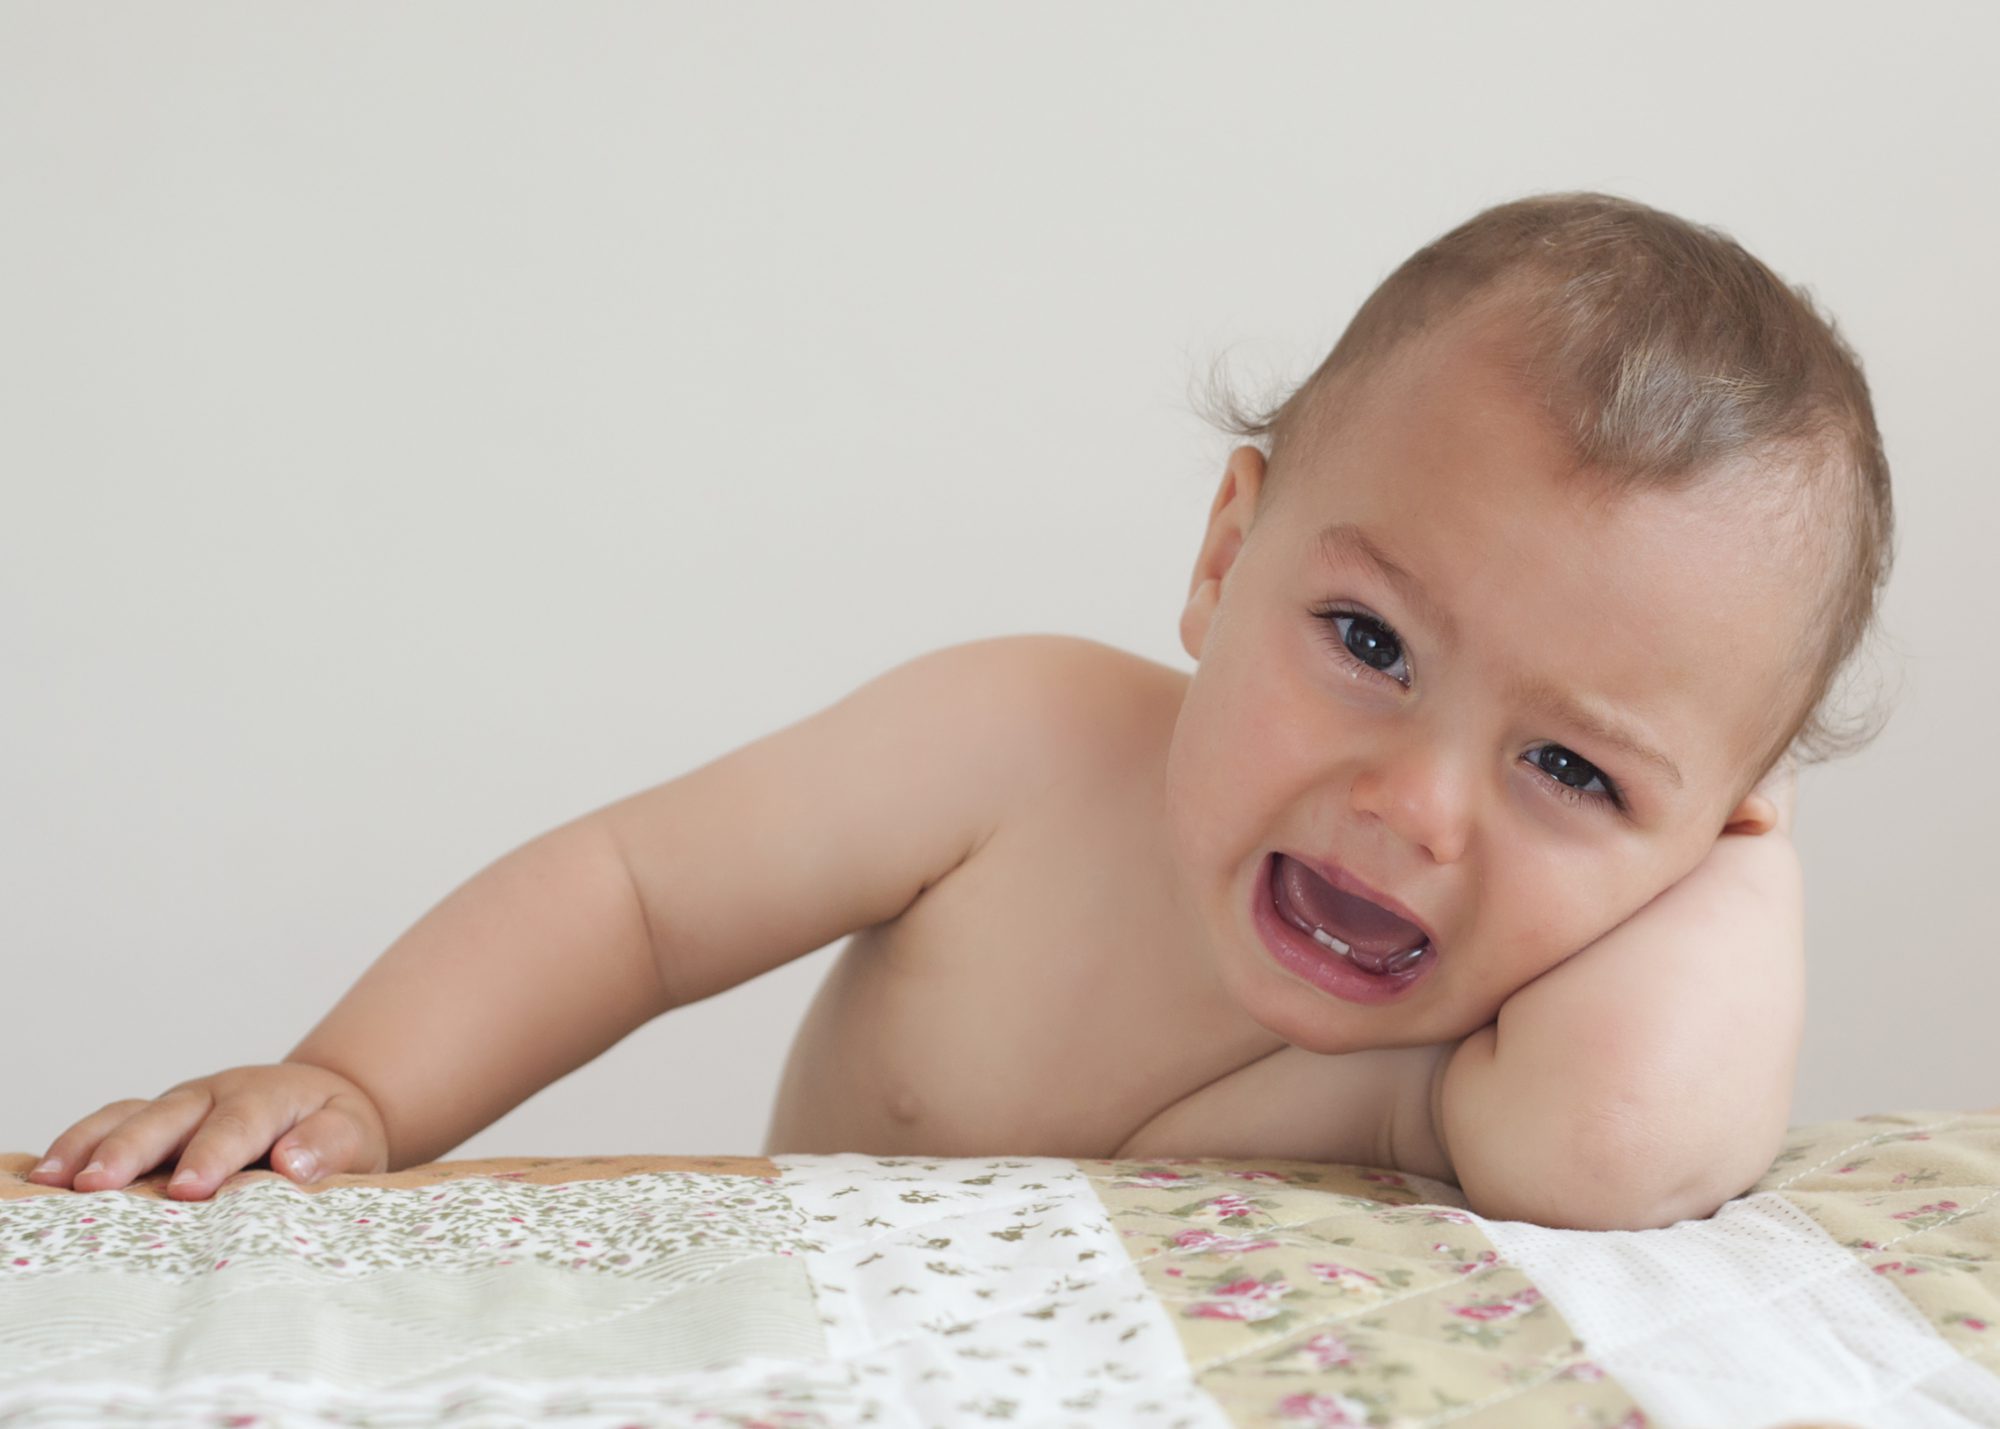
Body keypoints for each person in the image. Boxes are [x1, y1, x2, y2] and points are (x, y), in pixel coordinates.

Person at [25, 191, 1894, 1231]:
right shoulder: (1013, 751)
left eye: (1572, 767)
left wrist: (1744, 848)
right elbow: (633, 892)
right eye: (1369, 641)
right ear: (1224, 554)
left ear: (1709, 834)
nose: (1417, 805)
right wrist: (361, 1083)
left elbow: (1626, 1148)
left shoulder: (1521, 1043)